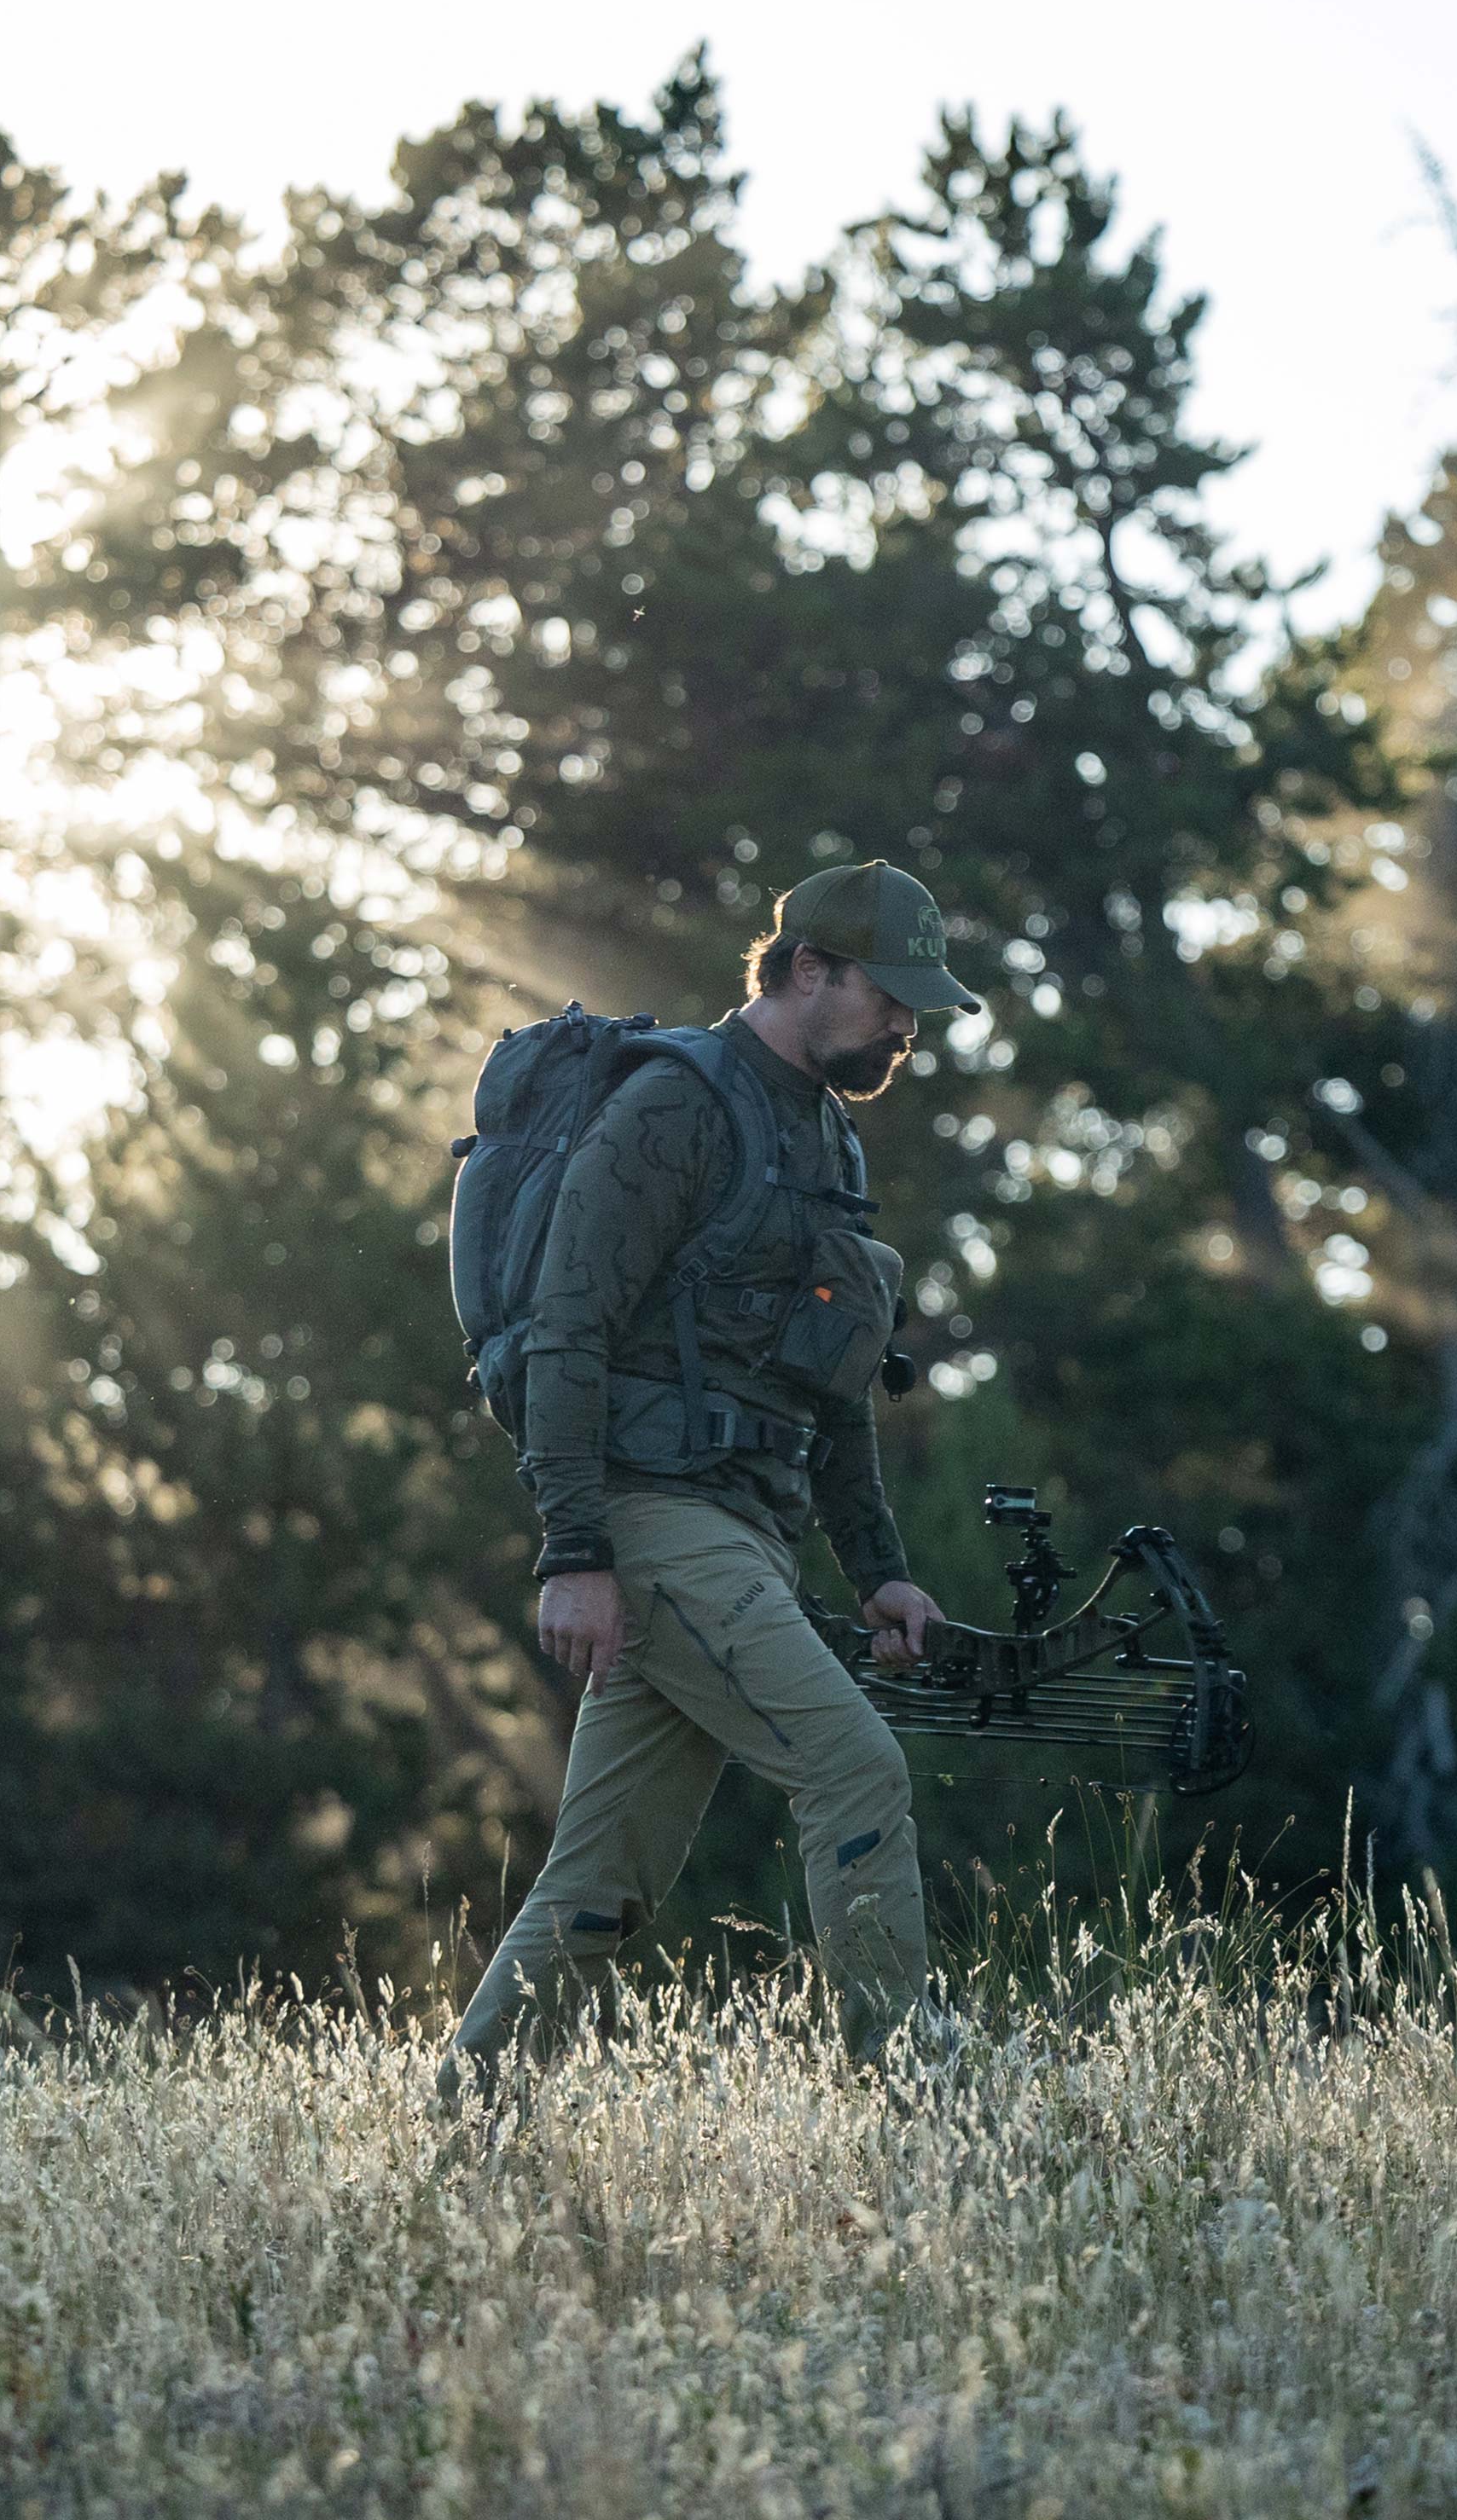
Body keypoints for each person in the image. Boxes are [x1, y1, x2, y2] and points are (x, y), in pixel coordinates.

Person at [438, 861, 980, 2101]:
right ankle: (924, 2103)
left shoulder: (828, 1134)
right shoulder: (675, 1108)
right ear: (806, 970)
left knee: (602, 1876)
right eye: (889, 996)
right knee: (854, 1767)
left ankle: (463, 2135)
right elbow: (570, 1328)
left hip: (745, 1533)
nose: (906, 1025)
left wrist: (882, 1569)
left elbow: (833, 1388)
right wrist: (575, 1552)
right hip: (653, 1525)